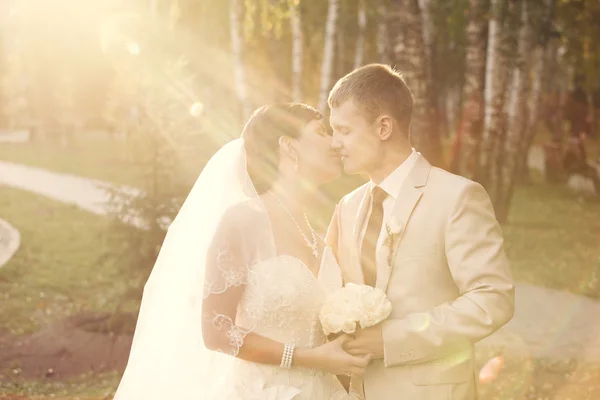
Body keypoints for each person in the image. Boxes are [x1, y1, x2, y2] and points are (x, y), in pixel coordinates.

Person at [113, 103, 370, 400]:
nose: (334, 142)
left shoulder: (317, 232)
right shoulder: (244, 220)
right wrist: (307, 358)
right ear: (289, 147)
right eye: (322, 131)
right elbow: (216, 329)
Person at [326, 64, 515, 399]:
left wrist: (392, 340)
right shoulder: (348, 206)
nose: (334, 143)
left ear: (383, 127)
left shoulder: (457, 196)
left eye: (344, 131)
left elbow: (492, 299)